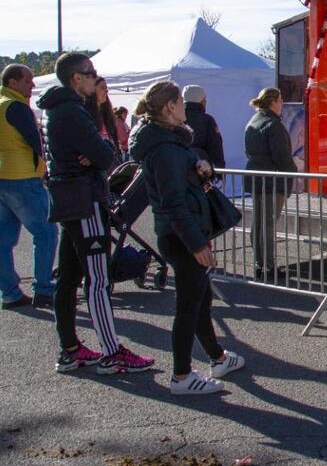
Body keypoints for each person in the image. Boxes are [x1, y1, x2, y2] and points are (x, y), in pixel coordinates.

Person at [38, 52, 154, 373]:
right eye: (91, 74)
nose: (96, 78)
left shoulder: (57, 110)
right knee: (98, 278)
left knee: (69, 275)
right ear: (77, 78)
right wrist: (94, 154)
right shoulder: (72, 113)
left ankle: (70, 347)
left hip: (69, 199)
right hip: (84, 200)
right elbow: (106, 155)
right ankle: (112, 350)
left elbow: (100, 153)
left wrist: (94, 152)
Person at [130, 82, 246, 395]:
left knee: (199, 299)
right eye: (181, 101)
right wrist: (196, 244)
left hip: (182, 231)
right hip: (182, 235)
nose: (186, 106)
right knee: (188, 306)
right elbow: (173, 202)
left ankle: (217, 357)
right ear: (170, 106)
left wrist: (200, 170)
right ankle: (181, 375)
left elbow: (179, 188)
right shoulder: (166, 149)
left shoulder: (170, 144)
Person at [0, 64, 56, 309]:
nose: (32, 85)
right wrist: (47, 169)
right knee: (46, 233)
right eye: (28, 81)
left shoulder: (1, 103)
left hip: (3, 178)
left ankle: (9, 292)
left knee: (3, 240)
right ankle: (43, 288)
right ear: (13, 82)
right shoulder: (16, 106)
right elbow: (36, 141)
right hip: (23, 177)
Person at [244, 88, 297, 279]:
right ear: (273, 101)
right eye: (281, 100)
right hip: (272, 181)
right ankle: (269, 265)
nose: (282, 104)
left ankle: (259, 262)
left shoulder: (254, 120)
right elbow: (282, 156)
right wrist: (292, 175)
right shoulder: (273, 125)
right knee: (267, 223)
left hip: (256, 178)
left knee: (258, 222)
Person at [183, 85, 226, 169]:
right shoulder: (207, 120)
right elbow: (215, 146)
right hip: (201, 168)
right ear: (201, 101)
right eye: (204, 99)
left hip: (179, 167)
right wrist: (220, 170)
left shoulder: (175, 119)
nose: (206, 101)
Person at [87, 77, 123, 170]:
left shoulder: (107, 116)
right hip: (96, 167)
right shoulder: (85, 116)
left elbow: (114, 142)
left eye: (107, 88)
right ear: (92, 90)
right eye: (102, 88)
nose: (106, 91)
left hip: (111, 163)